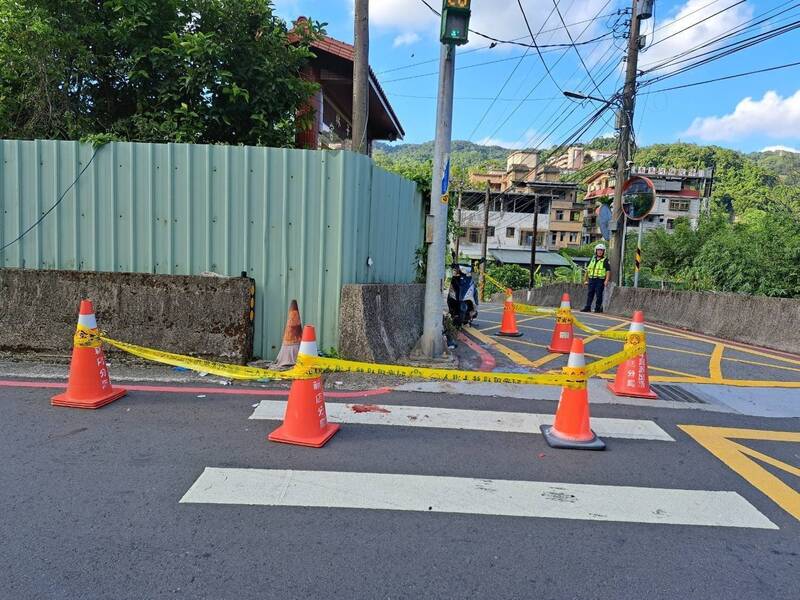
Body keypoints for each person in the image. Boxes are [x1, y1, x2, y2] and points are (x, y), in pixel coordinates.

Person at [581, 243, 611, 313]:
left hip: (600, 280)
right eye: (598, 250)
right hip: (591, 279)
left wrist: (606, 280)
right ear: (596, 251)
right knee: (590, 293)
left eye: (601, 250)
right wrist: (585, 279)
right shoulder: (592, 259)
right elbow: (587, 270)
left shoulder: (605, 260)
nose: (600, 252)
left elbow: (608, 271)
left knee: (599, 294)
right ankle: (587, 307)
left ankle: (597, 308)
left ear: (604, 252)